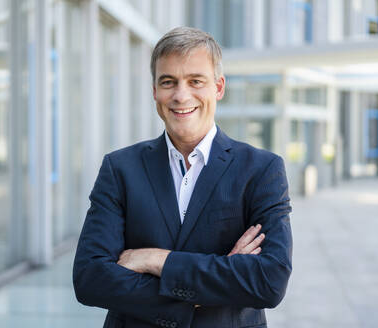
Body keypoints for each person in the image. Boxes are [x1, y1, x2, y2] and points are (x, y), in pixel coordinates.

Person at [73, 26, 292, 328]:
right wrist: (218, 282)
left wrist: (155, 260)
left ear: (218, 87)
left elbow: (269, 281)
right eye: (168, 82)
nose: (180, 95)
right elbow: (90, 278)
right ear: (154, 91)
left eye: (195, 81)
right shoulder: (120, 168)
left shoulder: (262, 170)